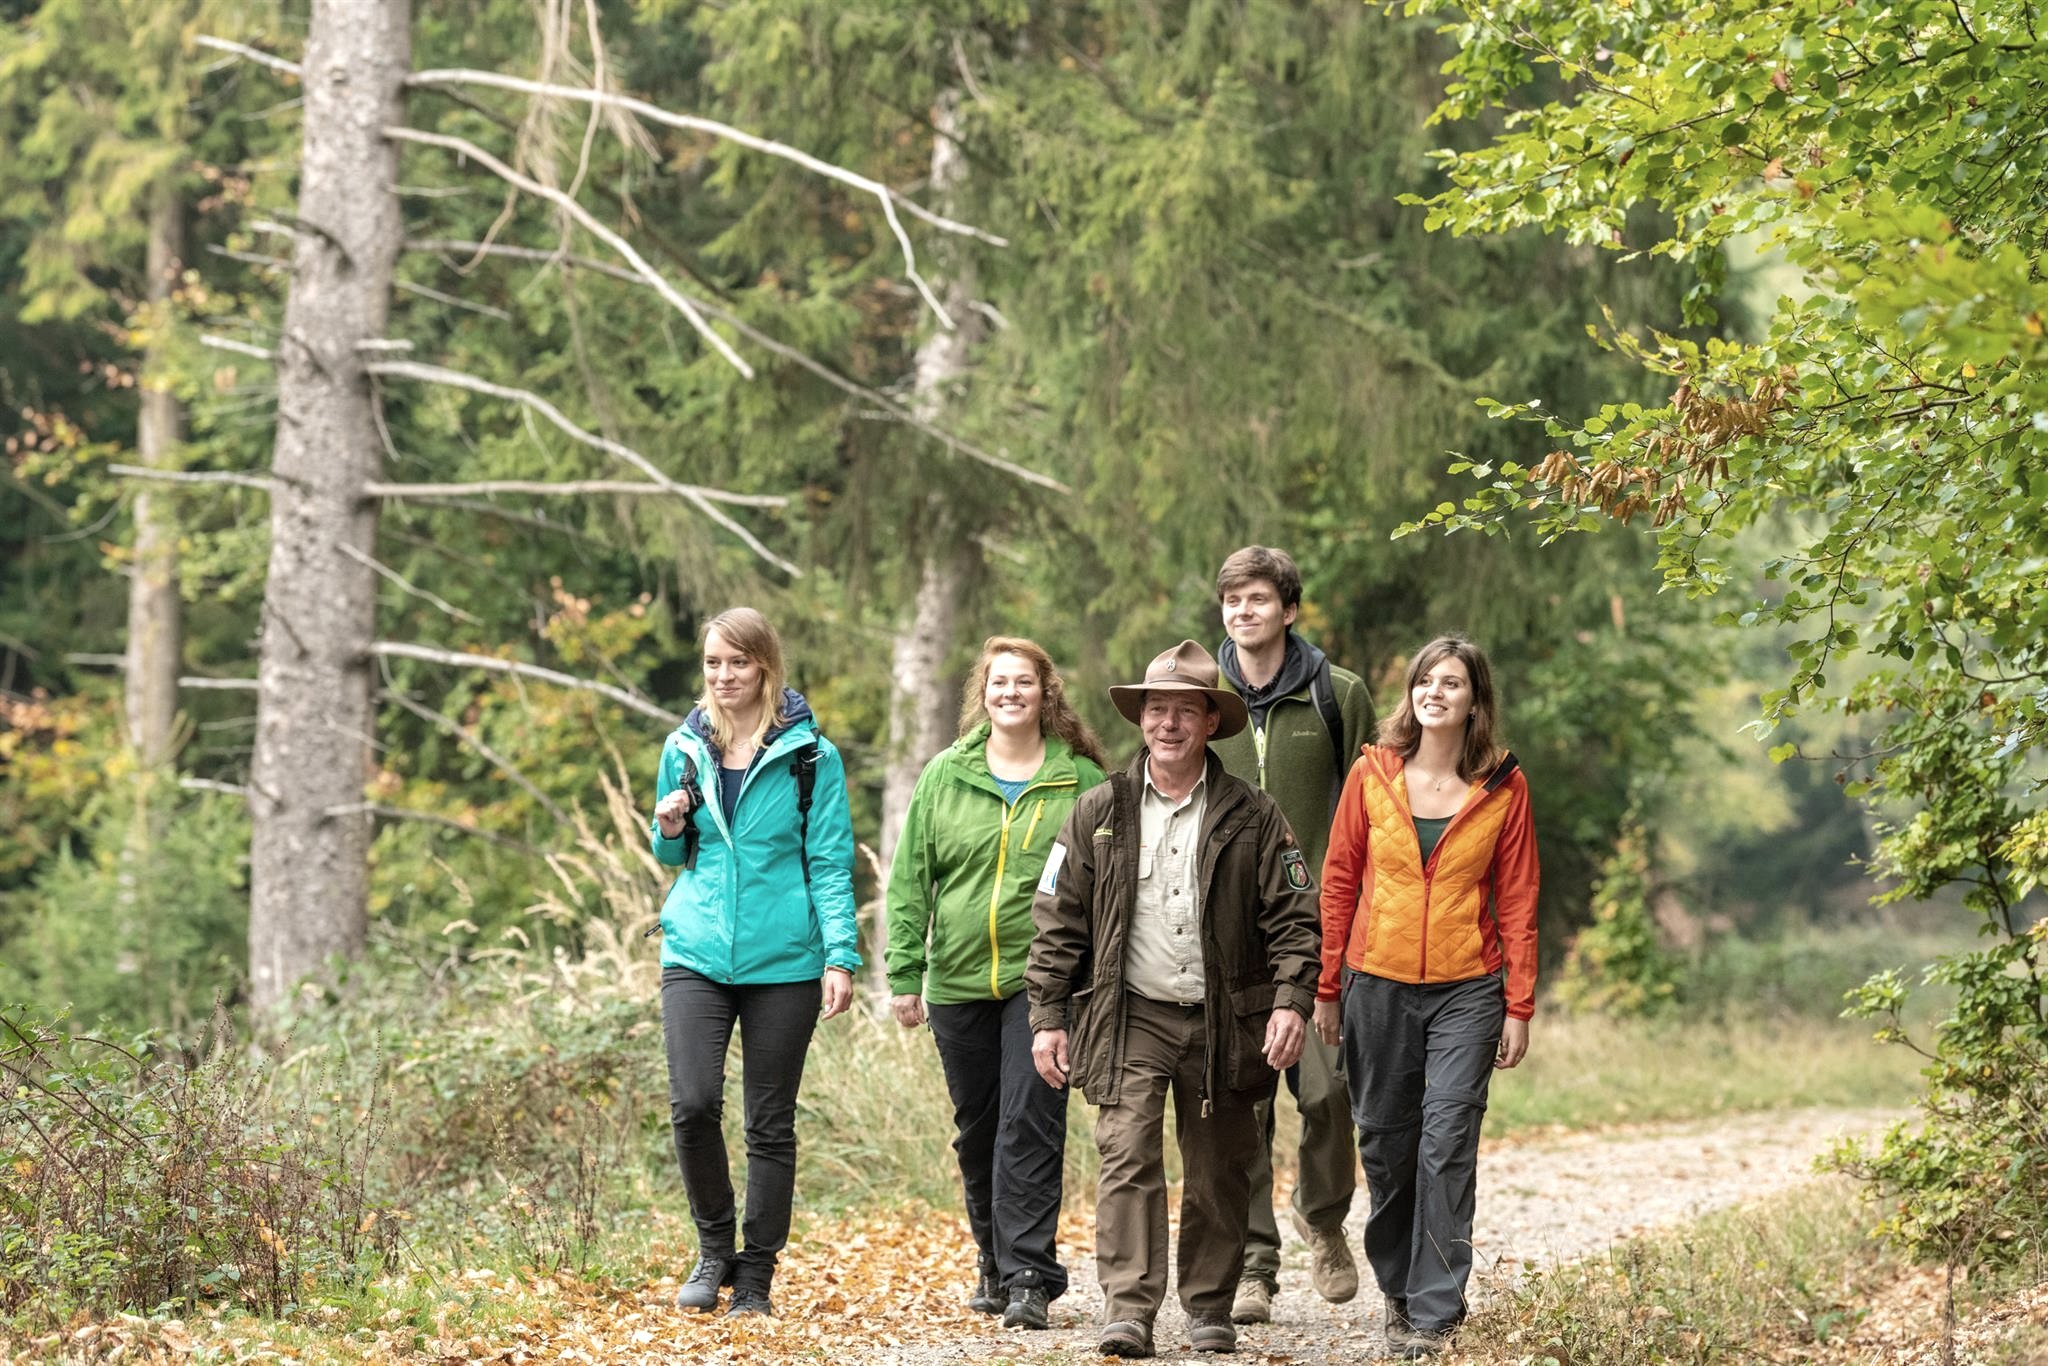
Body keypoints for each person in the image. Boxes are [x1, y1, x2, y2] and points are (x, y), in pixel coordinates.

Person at [1028, 640, 1323, 1359]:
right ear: (1140, 719)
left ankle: (1210, 1306)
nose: (1168, 724)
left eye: (1185, 711)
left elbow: (1295, 919)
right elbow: (1058, 919)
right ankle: (1128, 1309)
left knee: (1220, 1167)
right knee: (1126, 1153)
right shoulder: (1099, 810)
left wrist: (1291, 1001)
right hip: (1130, 1015)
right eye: (1156, 709)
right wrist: (1048, 1016)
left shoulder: (1254, 813)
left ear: (1210, 722)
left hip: (1225, 1020)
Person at [1315, 636, 1538, 1359]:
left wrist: (1518, 1005)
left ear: (1475, 700)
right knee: (1385, 1145)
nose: (1435, 692)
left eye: (1452, 683)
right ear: (1410, 694)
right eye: (1425, 681)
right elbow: (1338, 881)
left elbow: (1518, 900)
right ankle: (1399, 1292)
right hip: (1375, 983)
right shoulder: (1371, 775)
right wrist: (1326, 987)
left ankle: (1436, 1311)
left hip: (1467, 988)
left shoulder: (1503, 786)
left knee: (1447, 1142)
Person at [885, 637, 1109, 1330]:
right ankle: (993, 1257)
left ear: (1046, 694)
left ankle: (1028, 1276)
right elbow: (910, 878)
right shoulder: (945, 775)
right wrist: (905, 971)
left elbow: (1104, 886)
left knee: (1029, 1122)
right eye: (999, 682)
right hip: (956, 980)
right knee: (978, 1130)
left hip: (1041, 982)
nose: (1010, 692)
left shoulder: (1079, 780)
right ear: (983, 694)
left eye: (1024, 682)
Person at [649, 607, 861, 1318]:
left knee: (769, 1123)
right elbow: (674, 852)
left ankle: (757, 1274)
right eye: (713, 662)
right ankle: (714, 1251)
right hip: (695, 951)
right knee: (692, 1105)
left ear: (765, 667)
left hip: (786, 961)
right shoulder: (683, 748)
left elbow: (829, 862)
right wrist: (668, 827)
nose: (724, 675)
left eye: (737, 662)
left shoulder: (812, 758)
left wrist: (840, 957)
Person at [1209, 546, 1375, 1323]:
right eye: (1232, 600)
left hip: (1321, 934)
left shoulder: (1339, 694)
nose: (1243, 611)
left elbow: (1377, 805)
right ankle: (1254, 1268)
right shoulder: (1202, 699)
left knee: (1328, 1091)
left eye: (1258, 598)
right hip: (1227, 937)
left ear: (1289, 609)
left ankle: (1324, 1218)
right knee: (1240, 1106)